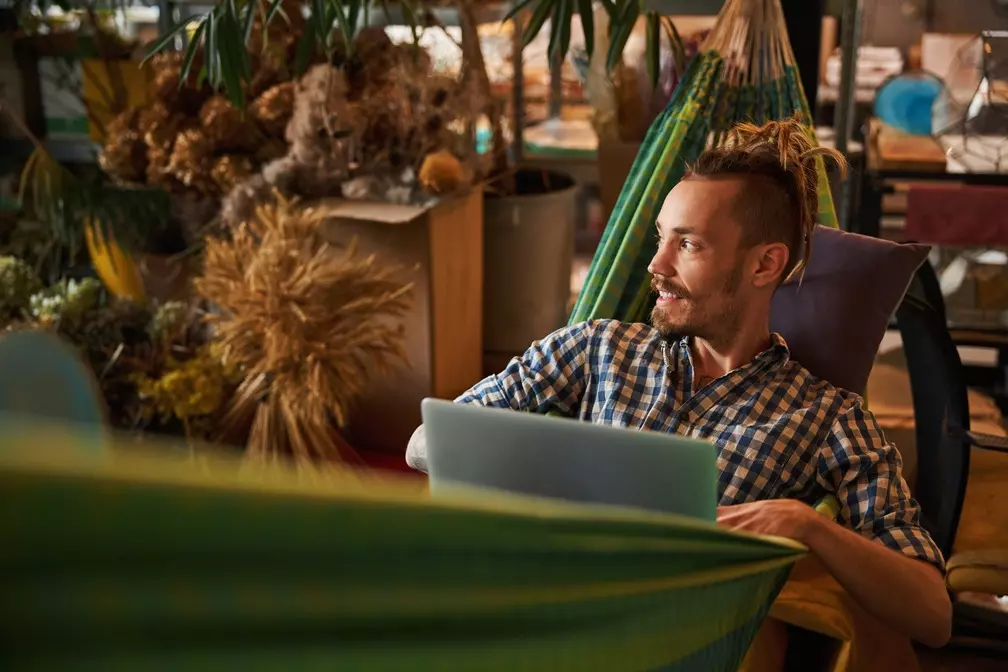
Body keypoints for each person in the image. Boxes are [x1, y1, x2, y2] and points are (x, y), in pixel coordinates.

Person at [406, 118, 952, 648]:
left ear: (765, 265)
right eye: (661, 238)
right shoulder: (598, 347)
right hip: (540, 615)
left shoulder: (825, 416)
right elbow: (426, 444)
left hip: (672, 647)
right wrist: (543, 475)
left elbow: (932, 614)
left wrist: (807, 525)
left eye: (687, 245)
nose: (656, 264)